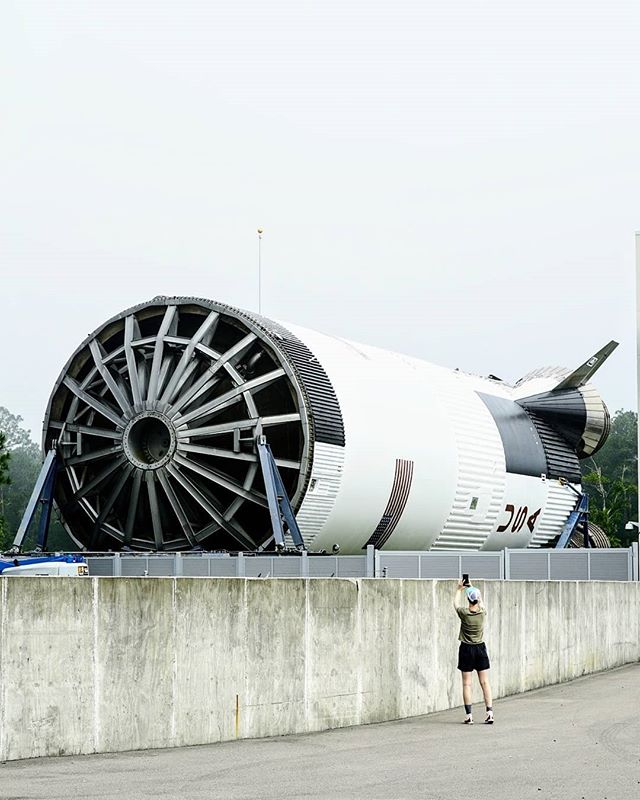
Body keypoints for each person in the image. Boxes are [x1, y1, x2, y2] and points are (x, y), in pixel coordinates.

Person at [453, 580, 493, 725]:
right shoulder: (482, 612)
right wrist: (472, 587)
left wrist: (459, 589)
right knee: (484, 682)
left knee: (467, 684)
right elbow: (480, 600)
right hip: (480, 648)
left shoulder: (464, 613)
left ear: (468, 599)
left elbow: (455, 604)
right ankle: (489, 712)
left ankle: (469, 715)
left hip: (466, 649)